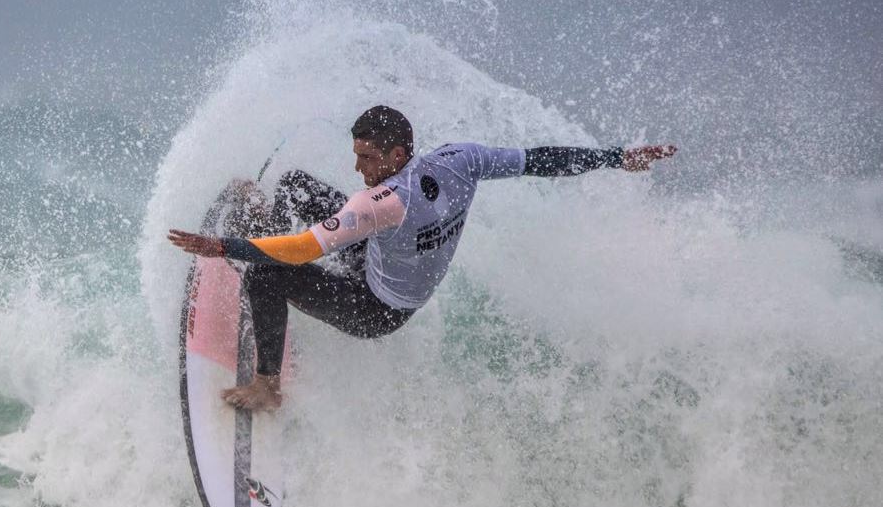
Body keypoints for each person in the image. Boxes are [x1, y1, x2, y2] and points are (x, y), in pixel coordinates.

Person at [169, 105, 676, 410]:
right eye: (356, 153)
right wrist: (614, 158)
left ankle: (266, 387)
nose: (357, 165)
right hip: (377, 257)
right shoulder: (463, 160)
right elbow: (540, 160)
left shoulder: (380, 203)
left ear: (396, 155)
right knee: (296, 185)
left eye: (367, 157)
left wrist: (222, 247)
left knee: (266, 275)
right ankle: (265, 242)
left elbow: (304, 249)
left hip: (376, 307)